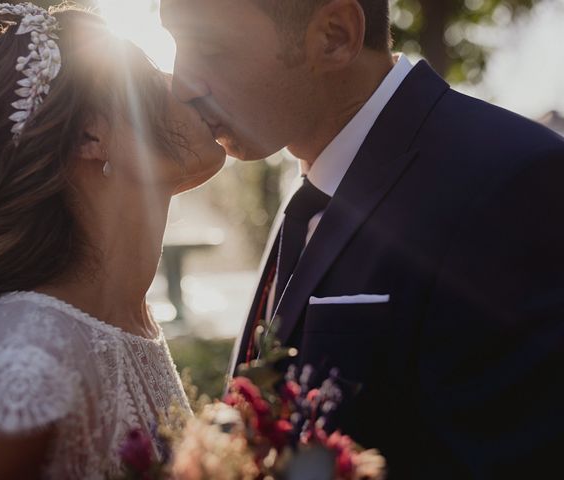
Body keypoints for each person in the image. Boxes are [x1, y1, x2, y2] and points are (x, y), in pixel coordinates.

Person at [162, 0, 564, 477]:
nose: (181, 85)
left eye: (210, 49)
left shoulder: (513, 179)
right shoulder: (311, 180)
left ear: (334, 36)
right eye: (174, 47)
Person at [0, 3, 225, 479]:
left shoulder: (126, 321)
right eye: (150, 72)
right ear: (91, 134)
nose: (184, 85)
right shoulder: (31, 356)